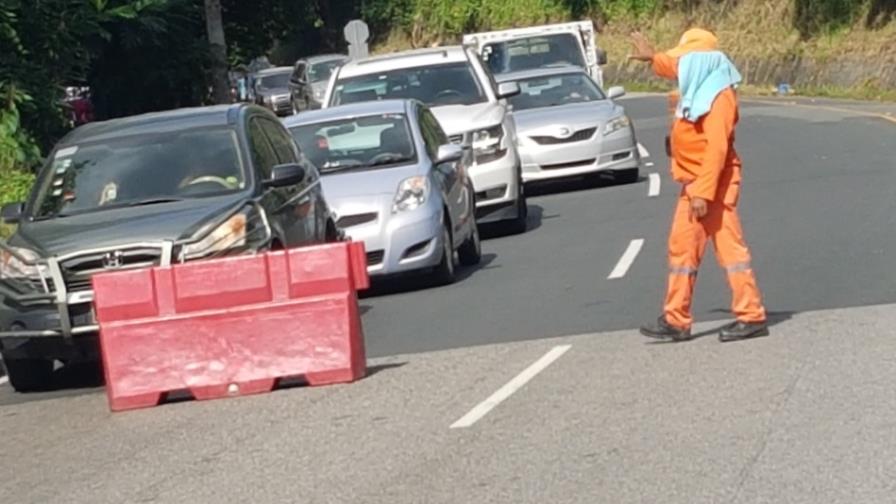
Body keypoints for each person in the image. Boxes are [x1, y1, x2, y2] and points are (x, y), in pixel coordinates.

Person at [628, 28, 769, 343]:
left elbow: (717, 149)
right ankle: (676, 319)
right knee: (682, 250)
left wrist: (703, 194)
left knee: (731, 252)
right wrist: (653, 57)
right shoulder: (701, 84)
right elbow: (673, 66)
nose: (679, 67)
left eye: (685, 60)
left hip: (711, 185)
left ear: (701, 62)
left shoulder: (719, 98)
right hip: (693, 184)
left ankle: (751, 315)